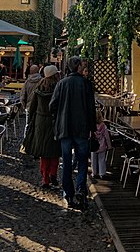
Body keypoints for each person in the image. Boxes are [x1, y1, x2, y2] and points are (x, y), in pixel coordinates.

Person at [49, 55, 96, 209]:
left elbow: (52, 106)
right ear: (78, 67)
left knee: (67, 162)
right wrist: (93, 128)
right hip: (82, 129)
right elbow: (91, 108)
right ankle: (81, 189)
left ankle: (68, 192)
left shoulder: (61, 84)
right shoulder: (86, 84)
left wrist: (59, 118)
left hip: (65, 129)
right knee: (82, 161)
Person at [22, 65, 61, 189]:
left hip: (40, 122)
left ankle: (45, 178)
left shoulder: (39, 88)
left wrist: (32, 119)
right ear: (54, 75)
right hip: (54, 122)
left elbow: (32, 107)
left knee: (44, 152)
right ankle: (53, 174)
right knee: (54, 151)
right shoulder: (58, 88)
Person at [20, 64, 42, 137]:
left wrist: (24, 106)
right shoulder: (42, 81)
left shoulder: (27, 82)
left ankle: (25, 142)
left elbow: (23, 96)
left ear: (30, 72)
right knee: (38, 126)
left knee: (27, 125)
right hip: (39, 107)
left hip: (29, 106)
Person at [91, 109, 112, 181]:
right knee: (102, 160)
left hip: (93, 145)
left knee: (93, 159)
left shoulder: (92, 126)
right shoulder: (103, 126)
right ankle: (102, 173)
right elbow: (107, 137)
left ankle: (94, 172)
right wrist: (109, 146)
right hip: (102, 145)